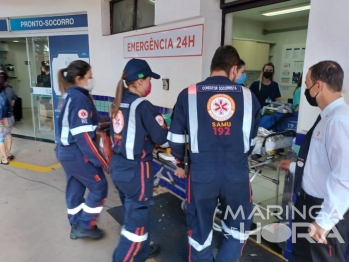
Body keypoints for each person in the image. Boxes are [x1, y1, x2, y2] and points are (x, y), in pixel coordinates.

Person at [168, 46, 261, 262]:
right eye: (239, 73)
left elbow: (175, 137)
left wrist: (180, 162)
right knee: (237, 226)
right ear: (234, 69)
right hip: (236, 172)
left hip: (201, 174)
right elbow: (253, 141)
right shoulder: (249, 97)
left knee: (200, 227)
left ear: (211, 68)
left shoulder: (188, 94)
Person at [279, 61, 349, 262]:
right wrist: (293, 167)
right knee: (302, 256)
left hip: (324, 210)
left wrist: (324, 221)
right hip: (308, 205)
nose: (306, 91)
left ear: (318, 86)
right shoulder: (328, 118)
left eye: (307, 85)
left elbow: (344, 176)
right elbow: (322, 162)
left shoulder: (339, 120)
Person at [109, 58, 168, 261]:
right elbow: (161, 137)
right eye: (150, 79)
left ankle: (142, 251)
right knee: (136, 224)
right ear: (141, 81)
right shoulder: (142, 105)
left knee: (133, 214)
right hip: (136, 171)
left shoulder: (118, 102)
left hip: (118, 167)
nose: (150, 84)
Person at [55, 60, 108, 240]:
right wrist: (101, 161)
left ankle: (76, 222)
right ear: (79, 79)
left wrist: (108, 120)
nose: (92, 80)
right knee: (99, 186)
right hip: (76, 152)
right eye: (89, 77)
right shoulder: (79, 98)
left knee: (75, 187)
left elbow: (86, 123)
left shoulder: (69, 95)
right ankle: (85, 225)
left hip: (65, 151)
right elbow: (83, 136)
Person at [0, 72, 16, 160]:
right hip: (10, 117)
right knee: (8, 134)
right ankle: (8, 153)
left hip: (1, 118)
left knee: (0, 138)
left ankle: (5, 159)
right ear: (6, 80)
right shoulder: (10, 90)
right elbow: (13, 103)